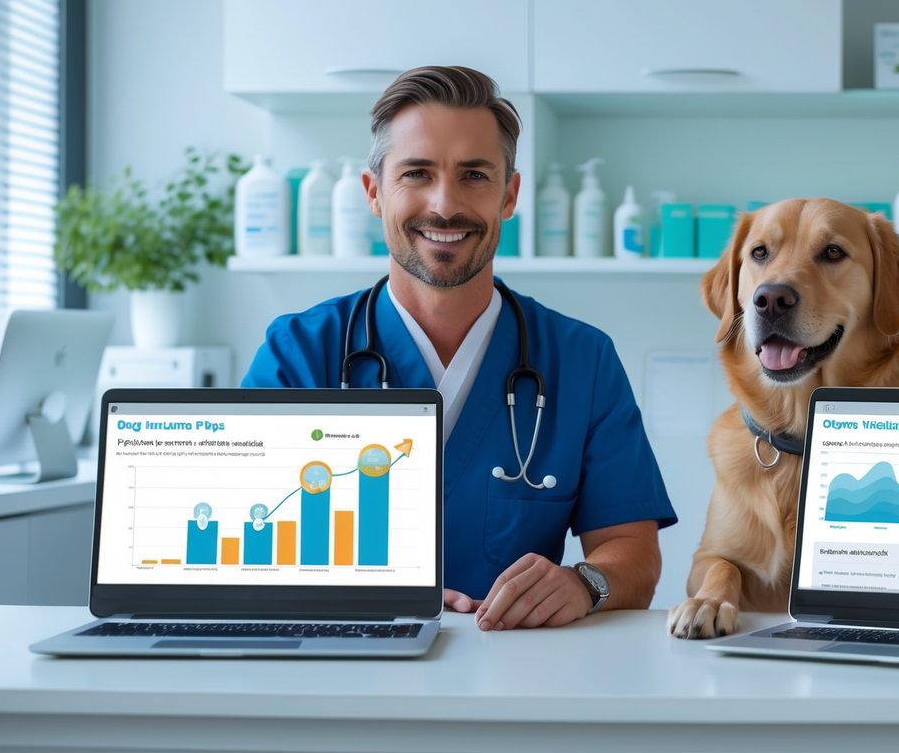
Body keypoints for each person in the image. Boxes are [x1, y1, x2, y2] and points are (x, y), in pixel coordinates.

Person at [242, 66, 677, 630]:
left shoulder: (581, 360)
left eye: (474, 174)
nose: (444, 204)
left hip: (516, 675)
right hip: (339, 668)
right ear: (374, 194)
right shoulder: (299, 352)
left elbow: (632, 552)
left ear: (510, 195)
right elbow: (246, 541)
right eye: (416, 174)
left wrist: (582, 582)